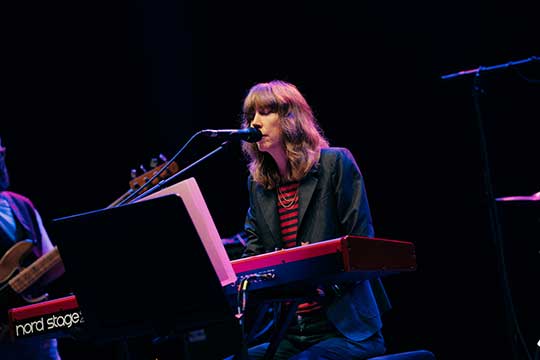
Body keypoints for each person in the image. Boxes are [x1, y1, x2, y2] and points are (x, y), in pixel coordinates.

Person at [236, 80, 391, 359]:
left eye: (266, 111)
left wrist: (314, 283)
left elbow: (362, 247)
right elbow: (254, 255)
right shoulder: (258, 186)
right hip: (290, 332)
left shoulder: (335, 164)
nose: (255, 123)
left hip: (346, 330)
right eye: (251, 116)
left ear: (290, 118)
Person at [0, 136, 62, 360]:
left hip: (36, 333)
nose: (1, 155)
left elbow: (50, 265)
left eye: (2, 150)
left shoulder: (21, 204)